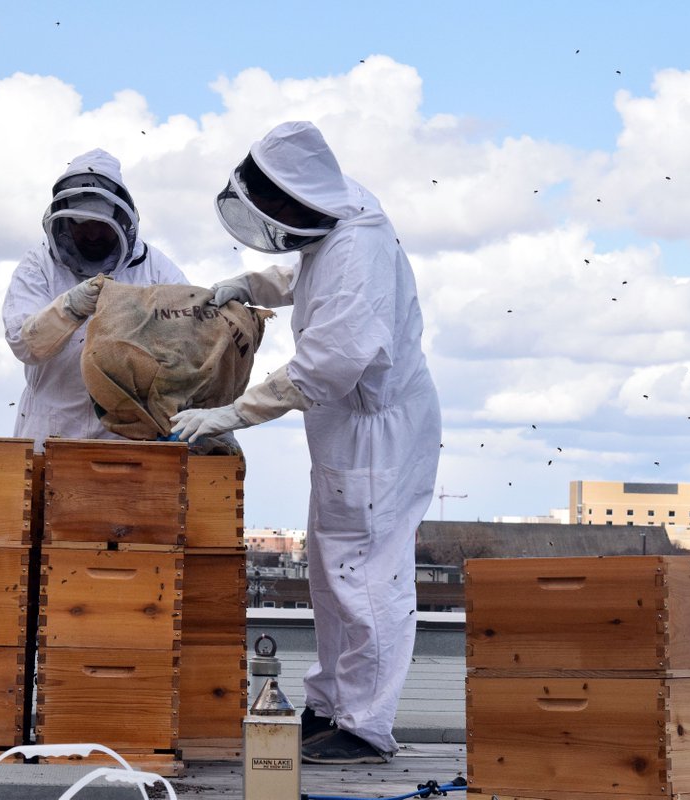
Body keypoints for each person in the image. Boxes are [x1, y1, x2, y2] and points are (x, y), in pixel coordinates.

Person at [169, 121, 441, 765]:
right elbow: (307, 269)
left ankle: (366, 725)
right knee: (329, 568)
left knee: (366, 575)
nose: (279, 220)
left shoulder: (358, 249)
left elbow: (323, 368)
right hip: (349, 426)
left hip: (376, 431)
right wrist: (254, 285)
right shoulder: (340, 211)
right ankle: (331, 705)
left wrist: (231, 413)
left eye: (282, 211)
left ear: (302, 197)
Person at [3, 149, 188, 449]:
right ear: (65, 223)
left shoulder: (155, 268)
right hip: (50, 428)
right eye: (81, 225)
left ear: (119, 219)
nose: (91, 236)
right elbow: (24, 343)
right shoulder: (39, 265)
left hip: (128, 437)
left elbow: (192, 339)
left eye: (100, 226)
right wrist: (68, 308)